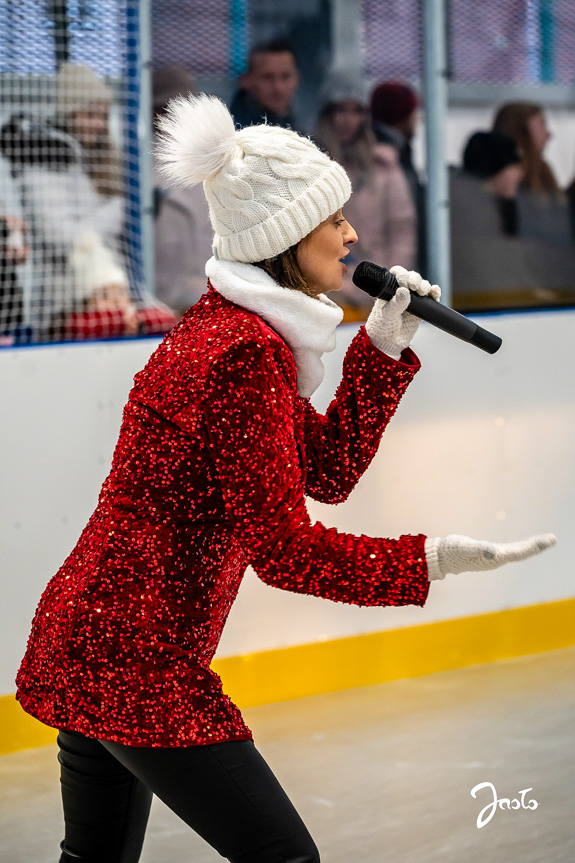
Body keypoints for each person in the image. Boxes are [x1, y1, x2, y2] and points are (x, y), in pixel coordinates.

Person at [16, 94, 556, 863]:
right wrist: (426, 559)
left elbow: (325, 470)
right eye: (332, 219)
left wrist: (382, 345)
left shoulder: (232, 331)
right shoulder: (242, 354)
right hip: (137, 658)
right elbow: (286, 551)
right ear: (282, 236)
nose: (351, 234)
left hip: (97, 633)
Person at [314, 74, 416, 317]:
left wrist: (389, 285)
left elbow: (402, 232)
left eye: (356, 111)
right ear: (327, 114)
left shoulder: (384, 168)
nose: (348, 120)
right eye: (340, 110)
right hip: (323, 297)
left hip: (377, 292)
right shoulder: (308, 168)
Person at [493, 101, 575, 300]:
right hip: (534, 285)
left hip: (558, 279)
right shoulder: (508, 178)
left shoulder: (543, 172)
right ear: (521, 131)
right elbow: (543, 224)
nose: (549, 134)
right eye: (542, 125)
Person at [152, 66, 214, 315]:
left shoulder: (211, 163)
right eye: (168, 107)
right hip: (164, 311)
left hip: (210, 307)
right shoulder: (137, 170)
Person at [370, 80, 426, 272]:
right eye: (414, 113)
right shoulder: (391, 158)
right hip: (391, 269)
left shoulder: (374, 151)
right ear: (403, 116)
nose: (417, 120)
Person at [230, 38, 300, 130]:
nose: (278, 88)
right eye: (267, 77)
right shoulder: (229, 136)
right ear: (246, 80)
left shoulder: (300, 134)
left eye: (285, 77)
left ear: (297, 78)